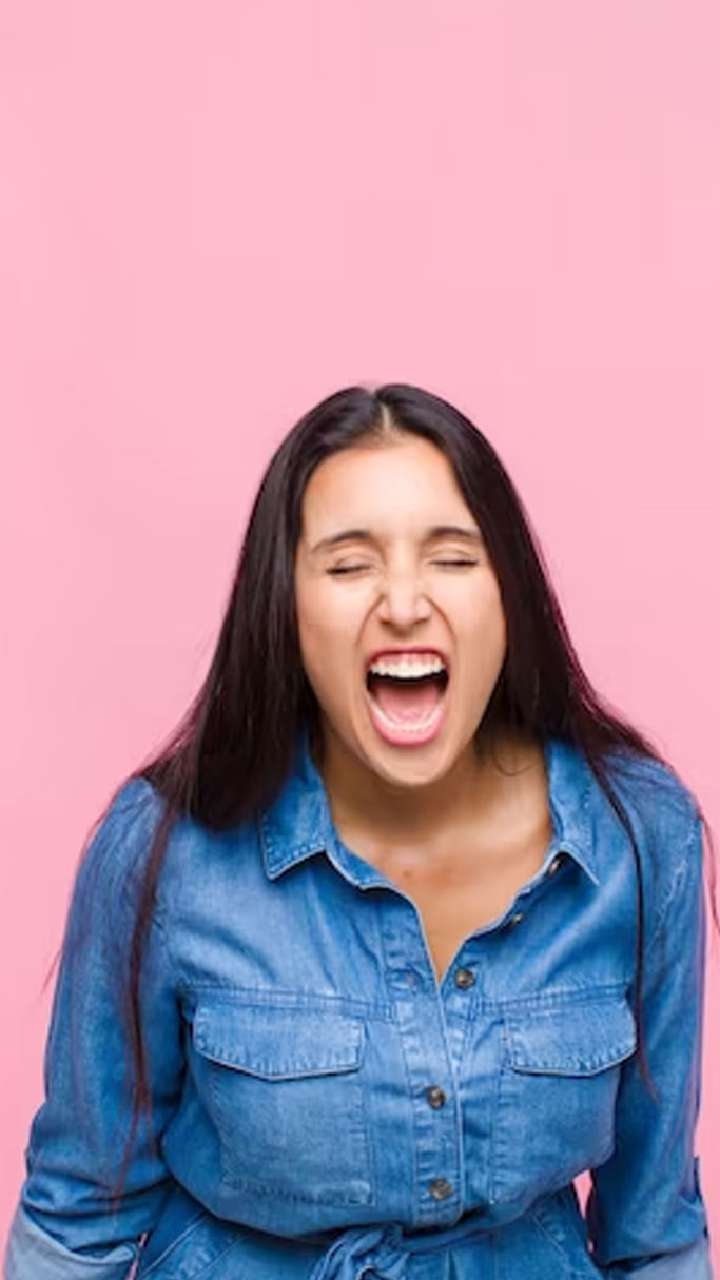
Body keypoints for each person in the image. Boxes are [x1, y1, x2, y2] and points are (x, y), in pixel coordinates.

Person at [3, 382, 716, 1279]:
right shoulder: (160, 850)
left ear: (510, 593)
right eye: (348, 566)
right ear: (287, 606)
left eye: (452, 558)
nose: (404, 603)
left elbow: (654, 1233)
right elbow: (77, 1221)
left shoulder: (642, 839)